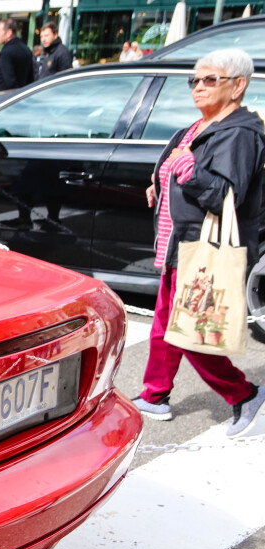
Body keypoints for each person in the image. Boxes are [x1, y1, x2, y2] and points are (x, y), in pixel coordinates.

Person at [135, 48, 265, 437]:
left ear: (238, 85)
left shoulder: (239, 134)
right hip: (182, 245)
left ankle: (245, 393)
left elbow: (225, 193)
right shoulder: (202, 126)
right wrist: (159, 182)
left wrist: (186, 172)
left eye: (211, 79)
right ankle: (155, 395)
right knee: (164, 323)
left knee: (191, 331)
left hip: (206, 248)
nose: (199, 87)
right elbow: (174, 164)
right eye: (196, 80)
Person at [0, 18, 34, 92]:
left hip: (5, 97)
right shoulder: (26, 49)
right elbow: (30, 78)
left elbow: (9, 81)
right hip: (22, 94)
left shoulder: (7, 52)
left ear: (9, 33)